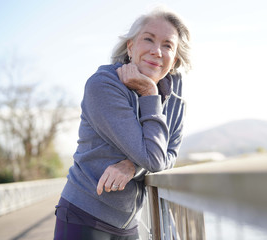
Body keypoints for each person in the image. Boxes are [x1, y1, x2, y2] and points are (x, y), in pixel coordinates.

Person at [54, 7, 191, 240]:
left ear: (175, 58)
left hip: (129, 225)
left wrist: (132, 166)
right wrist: (149, 93)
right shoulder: (104, 85)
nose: (157, 51)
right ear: (130, 47)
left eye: (167, 45)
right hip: (85, 216)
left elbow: (168, 157)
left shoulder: (176, 101)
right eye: (148, 39)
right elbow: (154, 159)